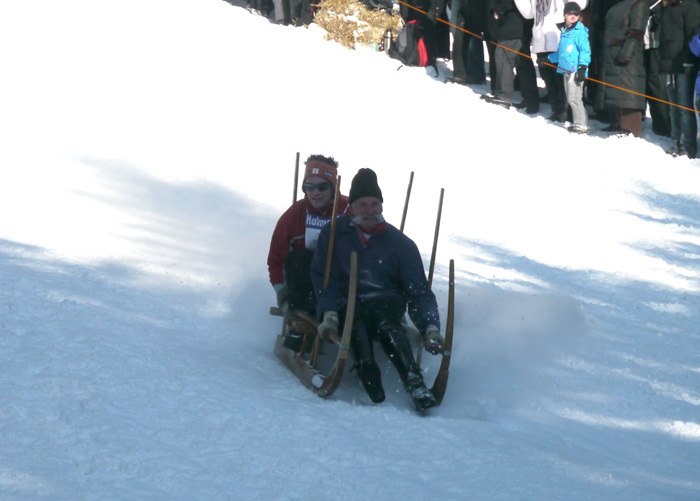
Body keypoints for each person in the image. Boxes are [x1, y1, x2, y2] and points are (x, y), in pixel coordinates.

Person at [310, 168, 445, 412]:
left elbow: (418, 291)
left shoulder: (399, 243)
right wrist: (328, 311)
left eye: (375, 204)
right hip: (347, 303)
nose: (370, 211)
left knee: (385, 322)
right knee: (355, 318)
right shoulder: (333, 235)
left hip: (385, 304)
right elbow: (322, 278)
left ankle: (414, 381)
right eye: (363, 204)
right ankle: (365, 366)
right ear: (351, 207)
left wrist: (430, 327)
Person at [268, 155, 350, 350]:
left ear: (333, 187)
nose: (315, 193)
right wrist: (282, 294)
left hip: (341, 283)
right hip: (306, 286)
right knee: (300, 258)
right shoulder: (294, 214)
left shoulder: (348, 210)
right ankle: (303, 321)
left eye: (322, 187)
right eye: (309, 188)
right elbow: (276, 261)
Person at [595, 0, 649, 137]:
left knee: (628, 96)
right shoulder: (617, 5)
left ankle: (631, 132)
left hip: (627, 59)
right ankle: (622, 129)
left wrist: (626, 53)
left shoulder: (638, 4)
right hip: (612, 56)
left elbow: (636, 31)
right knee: (618, 97)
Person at [655, 0, 700, 158]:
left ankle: (688, 146)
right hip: (669, 62)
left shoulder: (691, 6)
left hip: (685, 62)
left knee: (685, 107)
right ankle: (677, 142)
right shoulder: (667, 6)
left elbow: (693, 35)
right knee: (674, 107)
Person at [482, 0, 540, 113]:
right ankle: (531, 101)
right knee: (522, 62)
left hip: (514, 25)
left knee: (503, 56)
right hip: (519, 25)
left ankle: (503, 95)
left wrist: (499, 8)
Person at [549, 2, 591, 133]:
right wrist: (549, 59)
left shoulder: (580, 32)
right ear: (564, 16)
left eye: (576, 14)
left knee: (575, 98)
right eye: (570, 14)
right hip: (566, 71)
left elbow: (585, 50)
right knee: (570, 98)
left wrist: (582, 67)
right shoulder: (565, 31)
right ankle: (579, 122)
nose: (573, 16)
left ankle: (582, 124)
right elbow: (562, 52)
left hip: (576, 71)